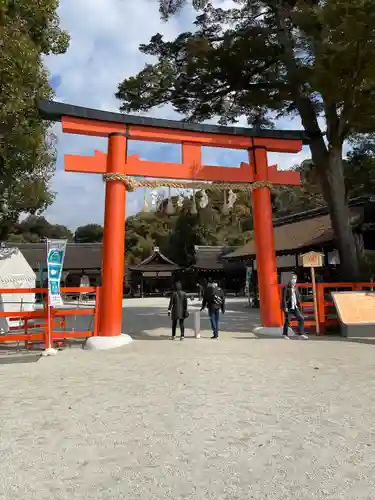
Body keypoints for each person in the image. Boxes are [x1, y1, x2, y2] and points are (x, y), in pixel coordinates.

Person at [281, 273, 308, 340]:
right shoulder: (286, 287)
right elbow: (283, 298)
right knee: (288, 320)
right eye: (293, 278)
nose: (294, 280)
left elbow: (298, 297)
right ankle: (285, 334)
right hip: (288, 306)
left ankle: (301, 333)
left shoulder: (296, 287)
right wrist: (285, 307)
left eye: (295, 278)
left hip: (295, 306)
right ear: (290, 280)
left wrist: (299, 303)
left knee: (301, 318)